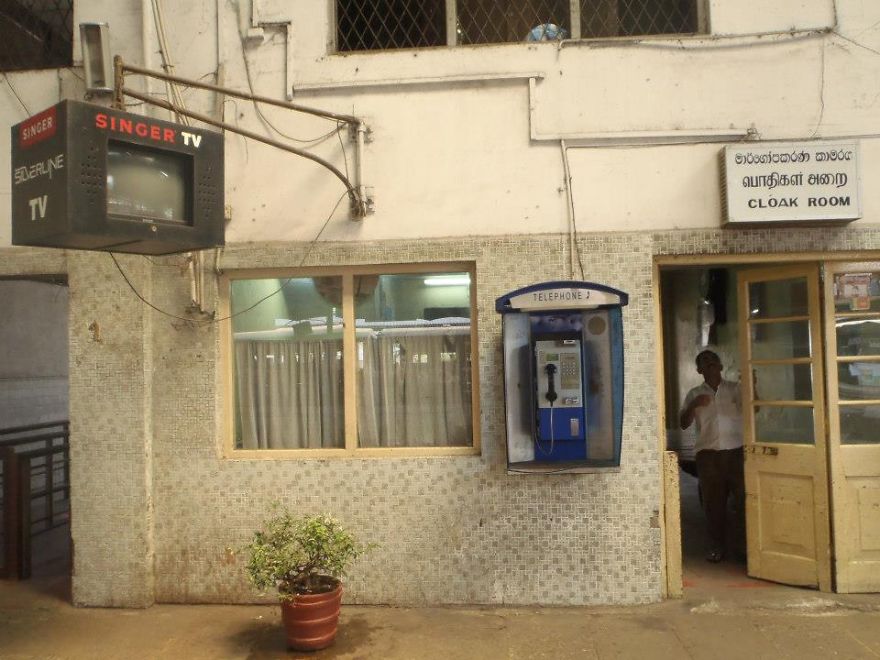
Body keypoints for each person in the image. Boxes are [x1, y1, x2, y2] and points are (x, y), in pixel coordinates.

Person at [679, 350, 745, 563]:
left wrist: (751, 386)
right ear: (699, 370)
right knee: (713, 504)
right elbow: (683, 423)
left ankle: (744, 548)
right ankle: (717, 547)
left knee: (743, 502)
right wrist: (694, 405)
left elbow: (753, 410)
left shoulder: (736, 389)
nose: (710, 365)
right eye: (705, 363)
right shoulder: (694, 394)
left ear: (720, 366)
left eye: (713, 361)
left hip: (736, 453)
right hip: (708, 456)